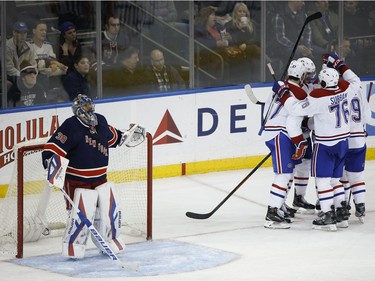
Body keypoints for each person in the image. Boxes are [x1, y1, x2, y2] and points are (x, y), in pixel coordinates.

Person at [41, 94, 144, 259]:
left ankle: (109, 242)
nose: (90, 110)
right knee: (79, 214)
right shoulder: (71, 125)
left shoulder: (101, 121)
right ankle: (74, 247)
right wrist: (49, 161)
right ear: (78, 109)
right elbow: (53, 148)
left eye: (91, 106)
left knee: (105, 211)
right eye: (86, 107)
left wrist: (128, 135)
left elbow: (115, 138)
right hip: (76, 180)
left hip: (100, 178)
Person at [273, 53, 361, 231]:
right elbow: (355, 80)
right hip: (343, 143)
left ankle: (327, 216)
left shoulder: (318, 97)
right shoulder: (346, 91)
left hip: (326, 146)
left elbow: (296, 109)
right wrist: (340, 64)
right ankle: (341, 214)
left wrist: (283, 93)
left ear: (321, 82)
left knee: (323, 181)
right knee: (336, 180)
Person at [263, 60, 308, 229]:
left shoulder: (279, 86)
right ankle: (272, 213)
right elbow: (294, 120)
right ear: (302, 76)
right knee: (283, 174)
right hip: (280, 134)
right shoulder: (299, 94)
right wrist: (300, 142)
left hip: (274, 132)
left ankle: (279, 207)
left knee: (287, 173)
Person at [268, 1, 314, 74]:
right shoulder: (279, 15)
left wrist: (308, 47)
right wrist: (296, 47)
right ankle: (294, 77)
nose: (304, 4)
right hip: (282, 48)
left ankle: (313, 78)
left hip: (301, 46)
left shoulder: (303, 14)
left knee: (319, 53)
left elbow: (308, 31)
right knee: (296, 53)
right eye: (302, 1)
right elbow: (280, 38)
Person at [224, 2, 261, 83]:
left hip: (249, 49)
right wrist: (239, 29)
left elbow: (256, 38)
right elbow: (232, 41)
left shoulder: (251, 24)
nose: (242, 13)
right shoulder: (229, 25)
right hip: (237, 50)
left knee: (255, 59)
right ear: (235, 13)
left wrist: (246, 28)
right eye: (239, 11)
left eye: (244, 12)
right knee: (254, 49)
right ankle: (269, 62)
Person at [194, 6, 231, 86]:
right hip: (208, 55)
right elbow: (199, 43)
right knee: (221, 61)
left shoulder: (218, 26)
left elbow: (226, 38)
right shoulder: (199, 29)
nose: (215, 17)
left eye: (215, 15)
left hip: (222, 52)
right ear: (206, 17)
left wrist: (229, 37)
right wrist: (216, 43)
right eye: (212, 15)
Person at [30, 20, 68, 89]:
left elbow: (52, 60)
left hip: (49, 75)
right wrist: (52, 62)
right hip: (35, 76)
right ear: (34, 31)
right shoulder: (28, 46)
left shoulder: (48, 46)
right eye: (41, 30)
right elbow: (36, 63)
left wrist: (53, 63)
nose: (44, 32)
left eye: (45, 30)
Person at [6, 21, 36, 87]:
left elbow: (33, 65)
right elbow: (9, 69)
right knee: (18, 80)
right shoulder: (7, 47)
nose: (23, 35)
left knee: (42, 77)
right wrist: (24, 75)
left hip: (26, 74)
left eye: (25, 33)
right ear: (14, 32)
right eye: (20, 32)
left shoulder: (30, 47)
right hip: (11, 75)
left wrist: (33, 75)